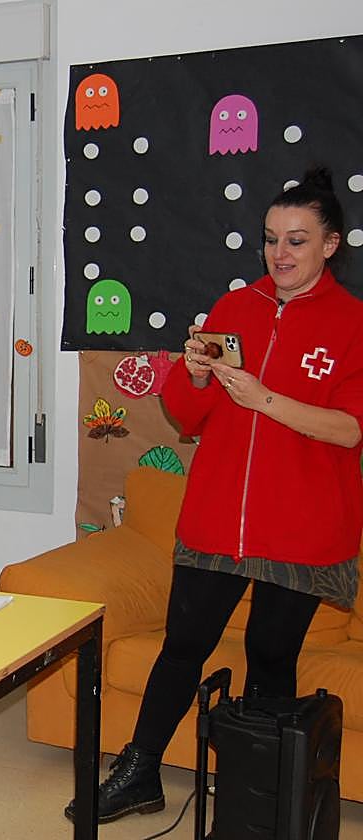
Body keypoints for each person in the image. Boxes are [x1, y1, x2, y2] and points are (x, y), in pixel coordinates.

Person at [67, 166, 363, 824]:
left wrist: (266, 399)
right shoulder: (233, 309)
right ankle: (141, 769)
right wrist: (193, 374)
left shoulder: (352, 323)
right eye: (270, 240)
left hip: (302, 529)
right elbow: (183, 414)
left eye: (297, 240)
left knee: (271, 656)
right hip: (216, 518)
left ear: (330, 246)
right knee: (184, 643)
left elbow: (349, 429)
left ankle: (256, 795)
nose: (280, 255)